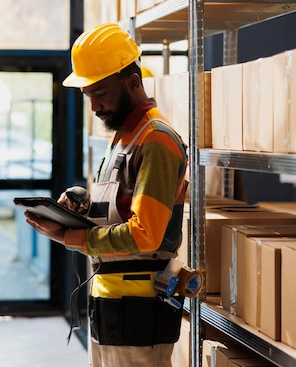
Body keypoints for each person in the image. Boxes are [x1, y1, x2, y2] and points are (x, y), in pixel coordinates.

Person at [23, 22, 188, 367]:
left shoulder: (156, 140)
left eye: (101, 94)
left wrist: (73, 236)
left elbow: (145, 235)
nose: (95, 107)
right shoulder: (124, 137)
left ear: (132, 81)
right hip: (112, 307)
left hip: (140, 314)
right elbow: (121, 210)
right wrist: (81, 206)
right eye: (89, 96)